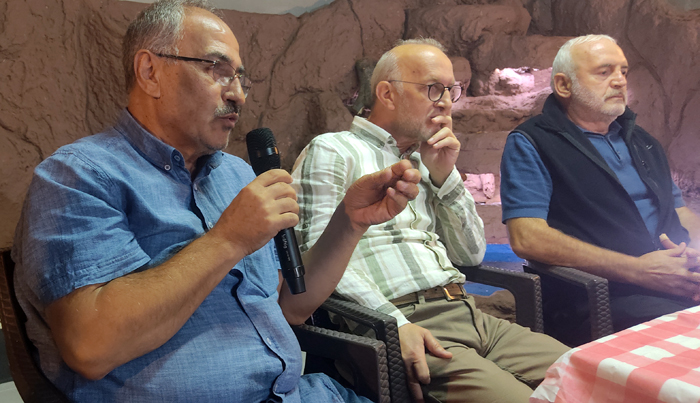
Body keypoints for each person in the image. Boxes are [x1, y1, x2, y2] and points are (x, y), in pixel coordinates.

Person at [11, 1, 422, 401]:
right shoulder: (78, 176)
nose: (239, 94)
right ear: (150, 72)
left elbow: (289, 306)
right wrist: (229, 240)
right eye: (217, 69)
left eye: (241, 78)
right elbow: (90, 346)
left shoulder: (237, 175)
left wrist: (350, 221)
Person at [291, 39, 569, 403]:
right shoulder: (333, 149)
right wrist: (395, 324)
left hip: (471, 312)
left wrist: (445, 176)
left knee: (593, 373)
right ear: (387, 94)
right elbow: (315, 256)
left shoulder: (426, 160)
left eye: (451, 90)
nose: (446, 102)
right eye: (433, 88)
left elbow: (471, 254)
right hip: (402, 322)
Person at [500, 34, 700, 343]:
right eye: (604, 72)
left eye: (623, 71)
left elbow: (680, 211)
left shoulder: (643, 141)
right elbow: (527, 237)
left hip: (677, 280)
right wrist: (637, 270)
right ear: (564, 85)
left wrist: (695, 253)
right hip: (601, 298)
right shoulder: (532, 142)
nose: (620, 81)